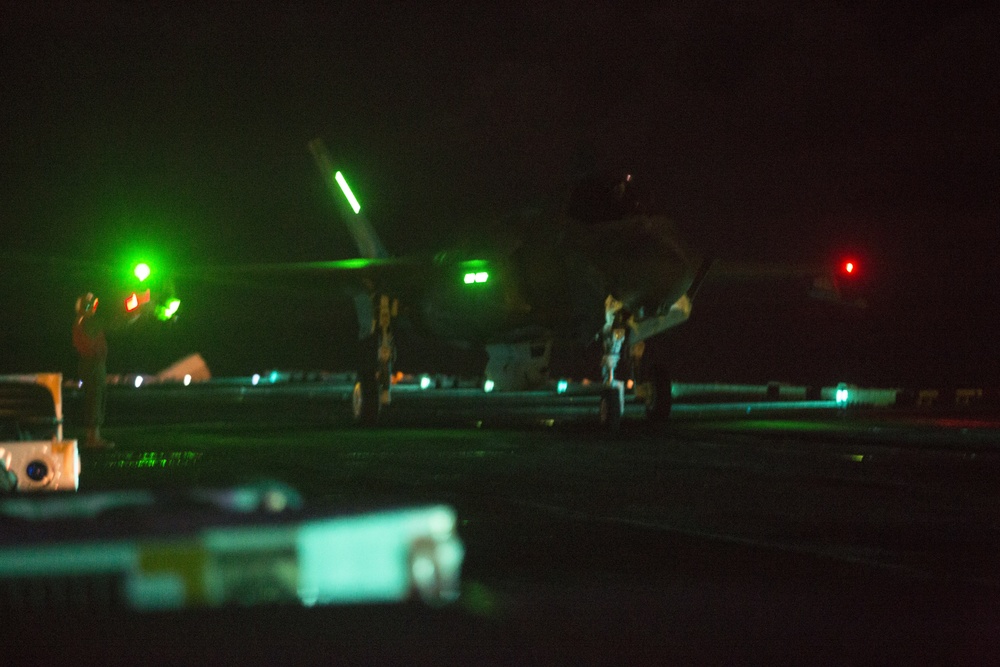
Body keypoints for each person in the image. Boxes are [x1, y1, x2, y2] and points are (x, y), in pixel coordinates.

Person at [73, 292, 113, 448]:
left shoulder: (82, 320)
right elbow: (113, 324)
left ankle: (93, 437)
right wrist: (134, 313)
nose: (92, 307)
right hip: (93, 364)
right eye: (89, 304)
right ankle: (93, 439)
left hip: (90, 364)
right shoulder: (88, 321)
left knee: (94, 398)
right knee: (95, 399)